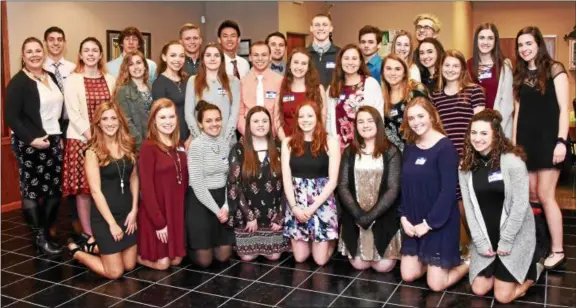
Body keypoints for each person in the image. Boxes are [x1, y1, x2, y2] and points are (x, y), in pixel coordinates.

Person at [459, 109, 539, 304]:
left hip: (514, 234)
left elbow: (521, 205)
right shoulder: (465, 166)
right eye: (474, 133)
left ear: (496, 134)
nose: (477, 138)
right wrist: (479, 241)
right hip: (487, 236)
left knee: (502, 297)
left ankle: (533, 274)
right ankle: (499, 269)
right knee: (479, 289)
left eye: (484, 133)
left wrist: (506, 240)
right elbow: (469, 208)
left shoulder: (512, 161)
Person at [513, 26, 570, 270]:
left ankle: (558, 251)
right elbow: (517, 113)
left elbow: (563, 110)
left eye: (529, 43)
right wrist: (515, 146)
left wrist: (561, 141)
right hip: (526, 143)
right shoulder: (520, 74)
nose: (525, 49)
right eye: (521, 45)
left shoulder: (555, 69)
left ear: (538, 44)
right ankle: (539, 244)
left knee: (546, 196)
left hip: (548, 142)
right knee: (530, 194)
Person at [399, 97, 468, 291]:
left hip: (438, 222)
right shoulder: (410, 147)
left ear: (432, 116)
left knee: (436, 285)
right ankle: (431, 264)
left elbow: (448, 193)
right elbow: (404, 186)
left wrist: (428, 224)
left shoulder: (445, 148)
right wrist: (403, 216)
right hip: (413, 220)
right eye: (411, 118)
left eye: (421, 116)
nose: (416, 122)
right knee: (408, 275)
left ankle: (470, 261)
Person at [6, 37, 64, 255]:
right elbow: (11, 116)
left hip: (54, 140)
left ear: (44, 53)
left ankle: (45, 233)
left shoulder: (49, 76)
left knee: (54, 192)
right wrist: (32, 140)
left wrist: (61, 135)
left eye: (38, 50)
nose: (34, 54)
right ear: (23, 56)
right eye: (29, 51)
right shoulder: (19, 81)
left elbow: (59, 111)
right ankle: (40, 238)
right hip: (30, 143)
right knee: (32, 192)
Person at [67, 102, 138, 279]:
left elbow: (134, 178)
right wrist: (112, 224)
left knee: (130, 265)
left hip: (127, 213)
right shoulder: (92, 151)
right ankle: (78, 252)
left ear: (120, 121)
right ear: (98, 123)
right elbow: (95, 191)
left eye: (114, 118)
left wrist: (134, 210)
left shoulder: (128, 145)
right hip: (105, 217)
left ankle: (94, 247)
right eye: (104, 119)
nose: (110, 123)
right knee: (115, 272)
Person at [63, 37, 116, 253]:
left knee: (103, 186)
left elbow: (113, 110)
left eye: (95, 50)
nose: (91, 54)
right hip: (80, 140)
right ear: (81, 54)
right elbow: (73, 114)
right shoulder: (73, 79)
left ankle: (103, 226)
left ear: (101, 55)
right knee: (84, 190)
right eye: (87, 50)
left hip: (107, 139)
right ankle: (88, 233)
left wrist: (105, 137)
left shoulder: (110, 79)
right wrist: (92, 137)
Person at [337, 106, 402, 272]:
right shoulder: (350, 152)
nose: (365, 125)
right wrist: (359, 215)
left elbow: (393, 189)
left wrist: (371, 216)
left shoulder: (391, 151)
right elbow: (343, 186)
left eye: (369, 121)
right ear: (356, 126)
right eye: (360, 121)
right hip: (356, 217)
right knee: (359, 265)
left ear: (378, 124)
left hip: (382, 216)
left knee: (383, 267)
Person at [227, 106, 289, 261]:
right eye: (255, 121)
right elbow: (234, 185)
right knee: (247, 257)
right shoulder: (238, 149)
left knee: (273, 256)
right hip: (248, 216)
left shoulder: (280, 148)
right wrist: (249, 215)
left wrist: (280, 215)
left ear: (270, 124)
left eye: (264, 121)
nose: (261, 124)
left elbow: (289, 183)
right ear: (248, 125)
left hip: (272, 214)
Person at [282, 101, 340, 265]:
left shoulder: (330, 142)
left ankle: (331, 242)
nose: (305, 120)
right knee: (300, 258)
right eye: (301, 116)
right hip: (297, 203)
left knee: (320, 260)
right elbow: (287, 178)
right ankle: (309, 239)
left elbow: (333, 181)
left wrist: (312, 208)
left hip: (321, 203)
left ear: (317, 118)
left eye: (310, 115)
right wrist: (294, 208)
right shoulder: (288, 143)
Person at [137, 98, 188, 270]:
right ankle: (131, 255)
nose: (168, 122)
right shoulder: (148, 147)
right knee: (163, 264)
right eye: (162, 117)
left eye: (171, 117)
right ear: (153, 121)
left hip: (174, 211)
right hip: (156, 212)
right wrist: (159, 223)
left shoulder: (178, 145)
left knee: (176, 260)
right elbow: (146, 188)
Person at [186, 101, 237, 267]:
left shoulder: (225, 143)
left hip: (222, 198)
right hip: (201, 201)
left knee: (223, 257)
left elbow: (230, 177)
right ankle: (188, 246)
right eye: (208, 121)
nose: (214, 124)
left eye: (217, 119)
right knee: (204, 261)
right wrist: (217, 211)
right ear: (200, 124)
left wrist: (226, 206)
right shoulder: (196, 146)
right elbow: (197, 183)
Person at [42, 26, 81, 237]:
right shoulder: (39, 68)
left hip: (71, 125)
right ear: (46, 43)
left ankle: (76, 220)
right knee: (53, 176)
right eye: (51, 39)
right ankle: (51, 223)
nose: (56, 43)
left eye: (59, 39)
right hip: (50, 127)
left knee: (75, 174)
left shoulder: (74, 68)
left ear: (64, 43)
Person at [325, 44, 384, 151]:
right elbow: (328, 118)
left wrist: (375, 144)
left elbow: (379, 116)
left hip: (366, 144)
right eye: (346, 58)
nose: (350, 62)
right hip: (339, 146)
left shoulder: (370, 84)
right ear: (340, 61)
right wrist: (331, 143)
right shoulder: (333, 87)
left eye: (354, 58)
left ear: (360, 61)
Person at [431, 49, 486, 156]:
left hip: (469, 152)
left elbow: (480, 126)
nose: (450, 69)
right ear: (441, 67)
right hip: (444, 153)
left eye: (455, 66)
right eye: (447, 65)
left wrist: (472, 153)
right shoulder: (435, 95)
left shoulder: (474, 91)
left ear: (462, 69)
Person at [184, 43, 240, 143]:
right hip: (200, 141)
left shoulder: (233, 81)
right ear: (203, 59)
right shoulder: (193, 80)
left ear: (222, 59)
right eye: (208, 55)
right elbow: (189, 113)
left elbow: (234, 114)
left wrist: (225, 140)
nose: (212, 59)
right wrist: (200, 139)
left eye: (216, 55)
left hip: (226, 140)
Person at [467, 23, 514, 138]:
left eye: (490, 38)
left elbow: (507, 103)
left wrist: (495, 127)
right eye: (482, 38)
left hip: (498, 125)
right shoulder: (468, 65)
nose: (485, 42)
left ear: (495, 41)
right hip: (474, 126)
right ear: (476, 41)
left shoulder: (504, 66)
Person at [276, 48, 327, 140]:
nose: (299, 67)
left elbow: (323, 118)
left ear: (308, 67)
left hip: (313, 142)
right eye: (296, 62)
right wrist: (285, 142)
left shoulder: (318, 89)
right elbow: (277, 120)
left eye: (303, 64)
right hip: (287, 141)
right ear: (290, 65)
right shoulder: (281, 89)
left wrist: (314, 139)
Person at [381, 54, 428, 152]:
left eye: (397, 69)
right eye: (388, 68)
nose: (392, 73)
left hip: (420, 149)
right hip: (394, 154)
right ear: (382, 72)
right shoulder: (381, 97)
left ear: (405, 73)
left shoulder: (416, 90)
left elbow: (430, 120)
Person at [238, 41, 282, 137]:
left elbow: (280, 113)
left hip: (273, 136)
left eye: (264, 55)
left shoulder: (280, 81)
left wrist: (272, 134)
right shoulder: (242, 82)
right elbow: (240, 114)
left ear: (270, 57)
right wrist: (248, 133)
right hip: (248, 136)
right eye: (256, 55)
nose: (260, 58)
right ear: (250, 57)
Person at [152, 41, 191, 147]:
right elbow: (161, 118)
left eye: (181, 56)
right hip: (172, 139)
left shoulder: (187, 80)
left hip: (191, 136)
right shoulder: (159, 84)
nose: (178, 59)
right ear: (164, 57)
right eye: (173, 55)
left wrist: (192, 136)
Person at [114, 50, 153, 150]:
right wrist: (140, 142)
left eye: (139, 63)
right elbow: (125, 121)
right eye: (131, 64)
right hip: (136, 144)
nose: (136, 67)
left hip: (154, 140)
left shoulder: (151, 87)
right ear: (127, 69)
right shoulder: (123, 90)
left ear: (145, 66)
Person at [307, 13, 340, 87]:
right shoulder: (303, 54)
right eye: (317, 25)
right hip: (309, 98)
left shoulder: (341, 54)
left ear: (331, 28)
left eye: (324, 25)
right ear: (311, 28)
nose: (321, 28)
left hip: (334, 98)